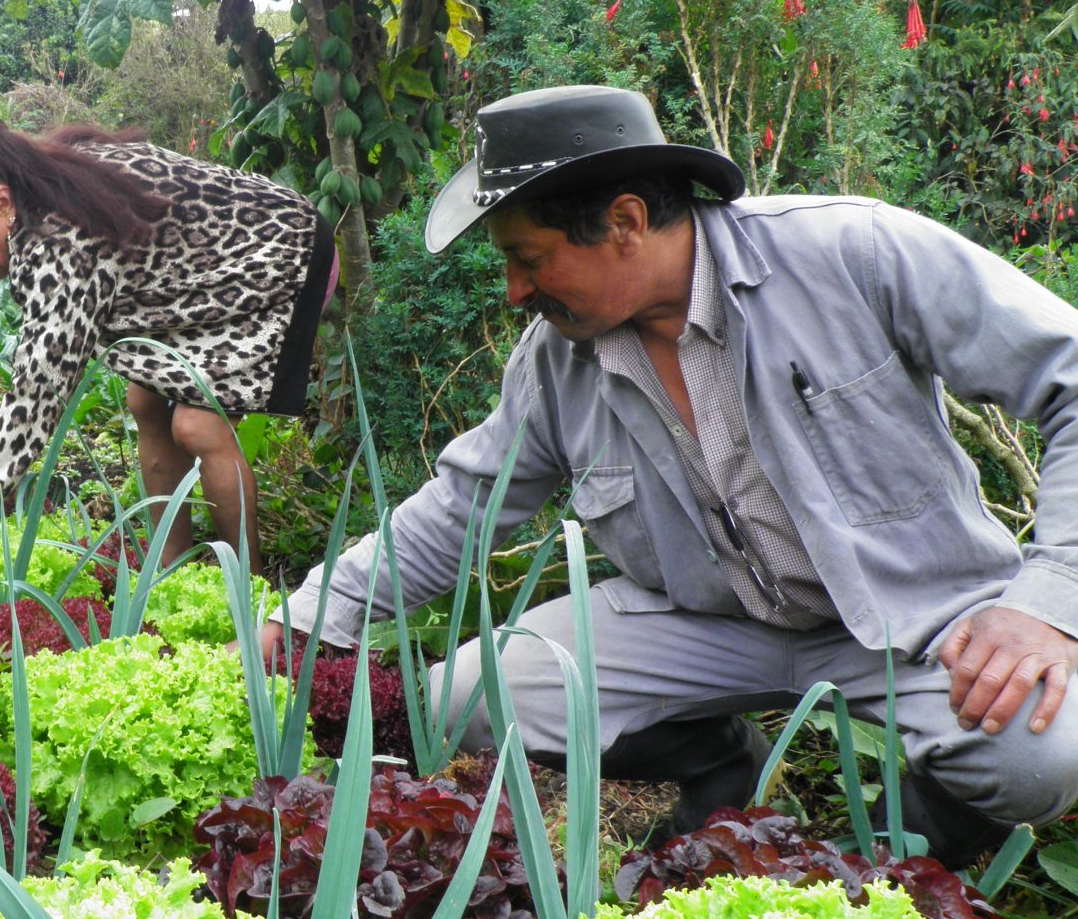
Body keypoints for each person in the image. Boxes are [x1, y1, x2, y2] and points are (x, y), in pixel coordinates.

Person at [257, 83, 1078, 866]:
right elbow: (462, 506)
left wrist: (1047, 603)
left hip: (912, 614)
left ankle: (884, 865)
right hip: (708, 626)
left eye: (529, 258)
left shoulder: (851, 253)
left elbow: (1070, 376)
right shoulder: (556, 363)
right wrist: (303, 622)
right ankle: (723, 775)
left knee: (1041, 753)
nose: (513, 291)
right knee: (461, 700)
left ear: (625, 221)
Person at [0, 110, 338, 575]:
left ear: (2, 202)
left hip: (281, 252)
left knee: (198, 427)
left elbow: (41, 381)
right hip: (200, 279)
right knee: (144, 403)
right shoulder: (43, 183)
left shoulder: (57, 236)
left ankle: (246, 585)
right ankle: (170, 570)